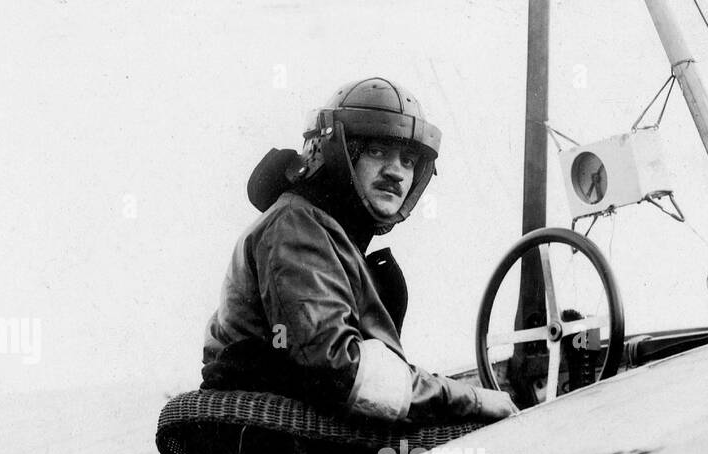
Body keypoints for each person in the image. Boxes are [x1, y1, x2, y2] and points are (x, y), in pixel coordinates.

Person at [201, 77, 518, 424]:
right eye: (377, 151)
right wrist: (472, 399)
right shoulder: (295, 225)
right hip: (278, 438)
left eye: (408, 160)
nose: (397, 173)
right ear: (336, 151)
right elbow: (339, 369)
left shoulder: (322, 231)